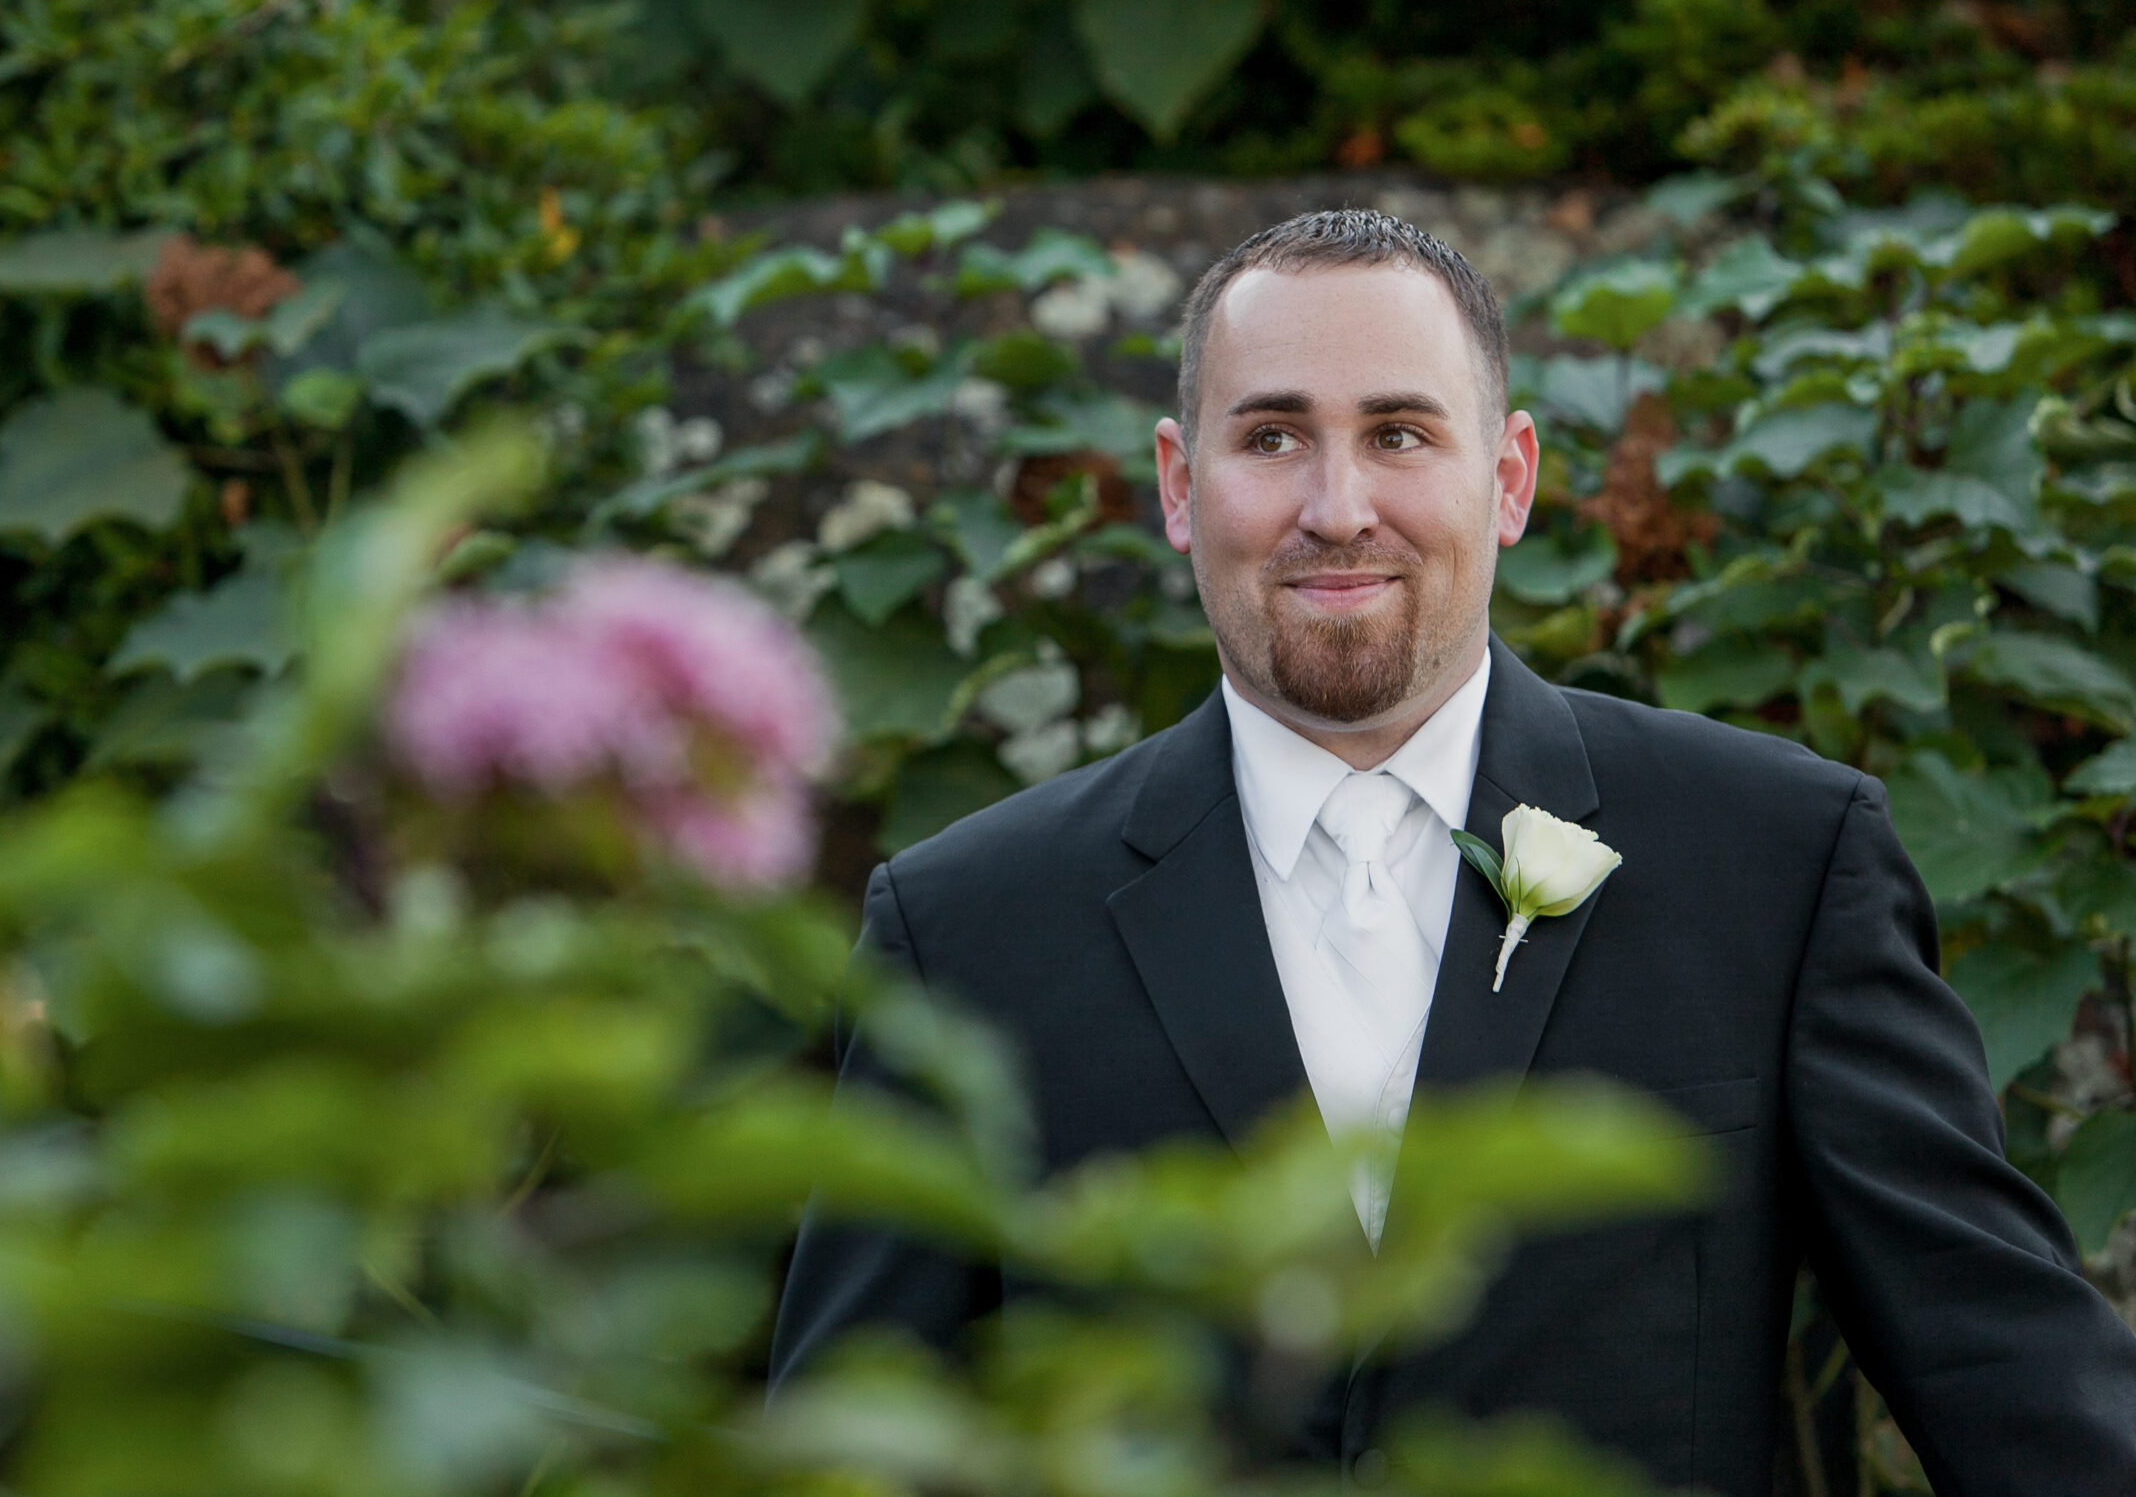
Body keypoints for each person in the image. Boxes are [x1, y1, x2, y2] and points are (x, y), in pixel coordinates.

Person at [767, 209, 2136, 1495]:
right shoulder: (969, 928)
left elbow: (2006, 1372)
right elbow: (855, 1444)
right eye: (1274, 437)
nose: (1340, 505)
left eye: (1402, 434)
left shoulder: (1778, 863)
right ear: (1181, 488)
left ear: (1512, 478)